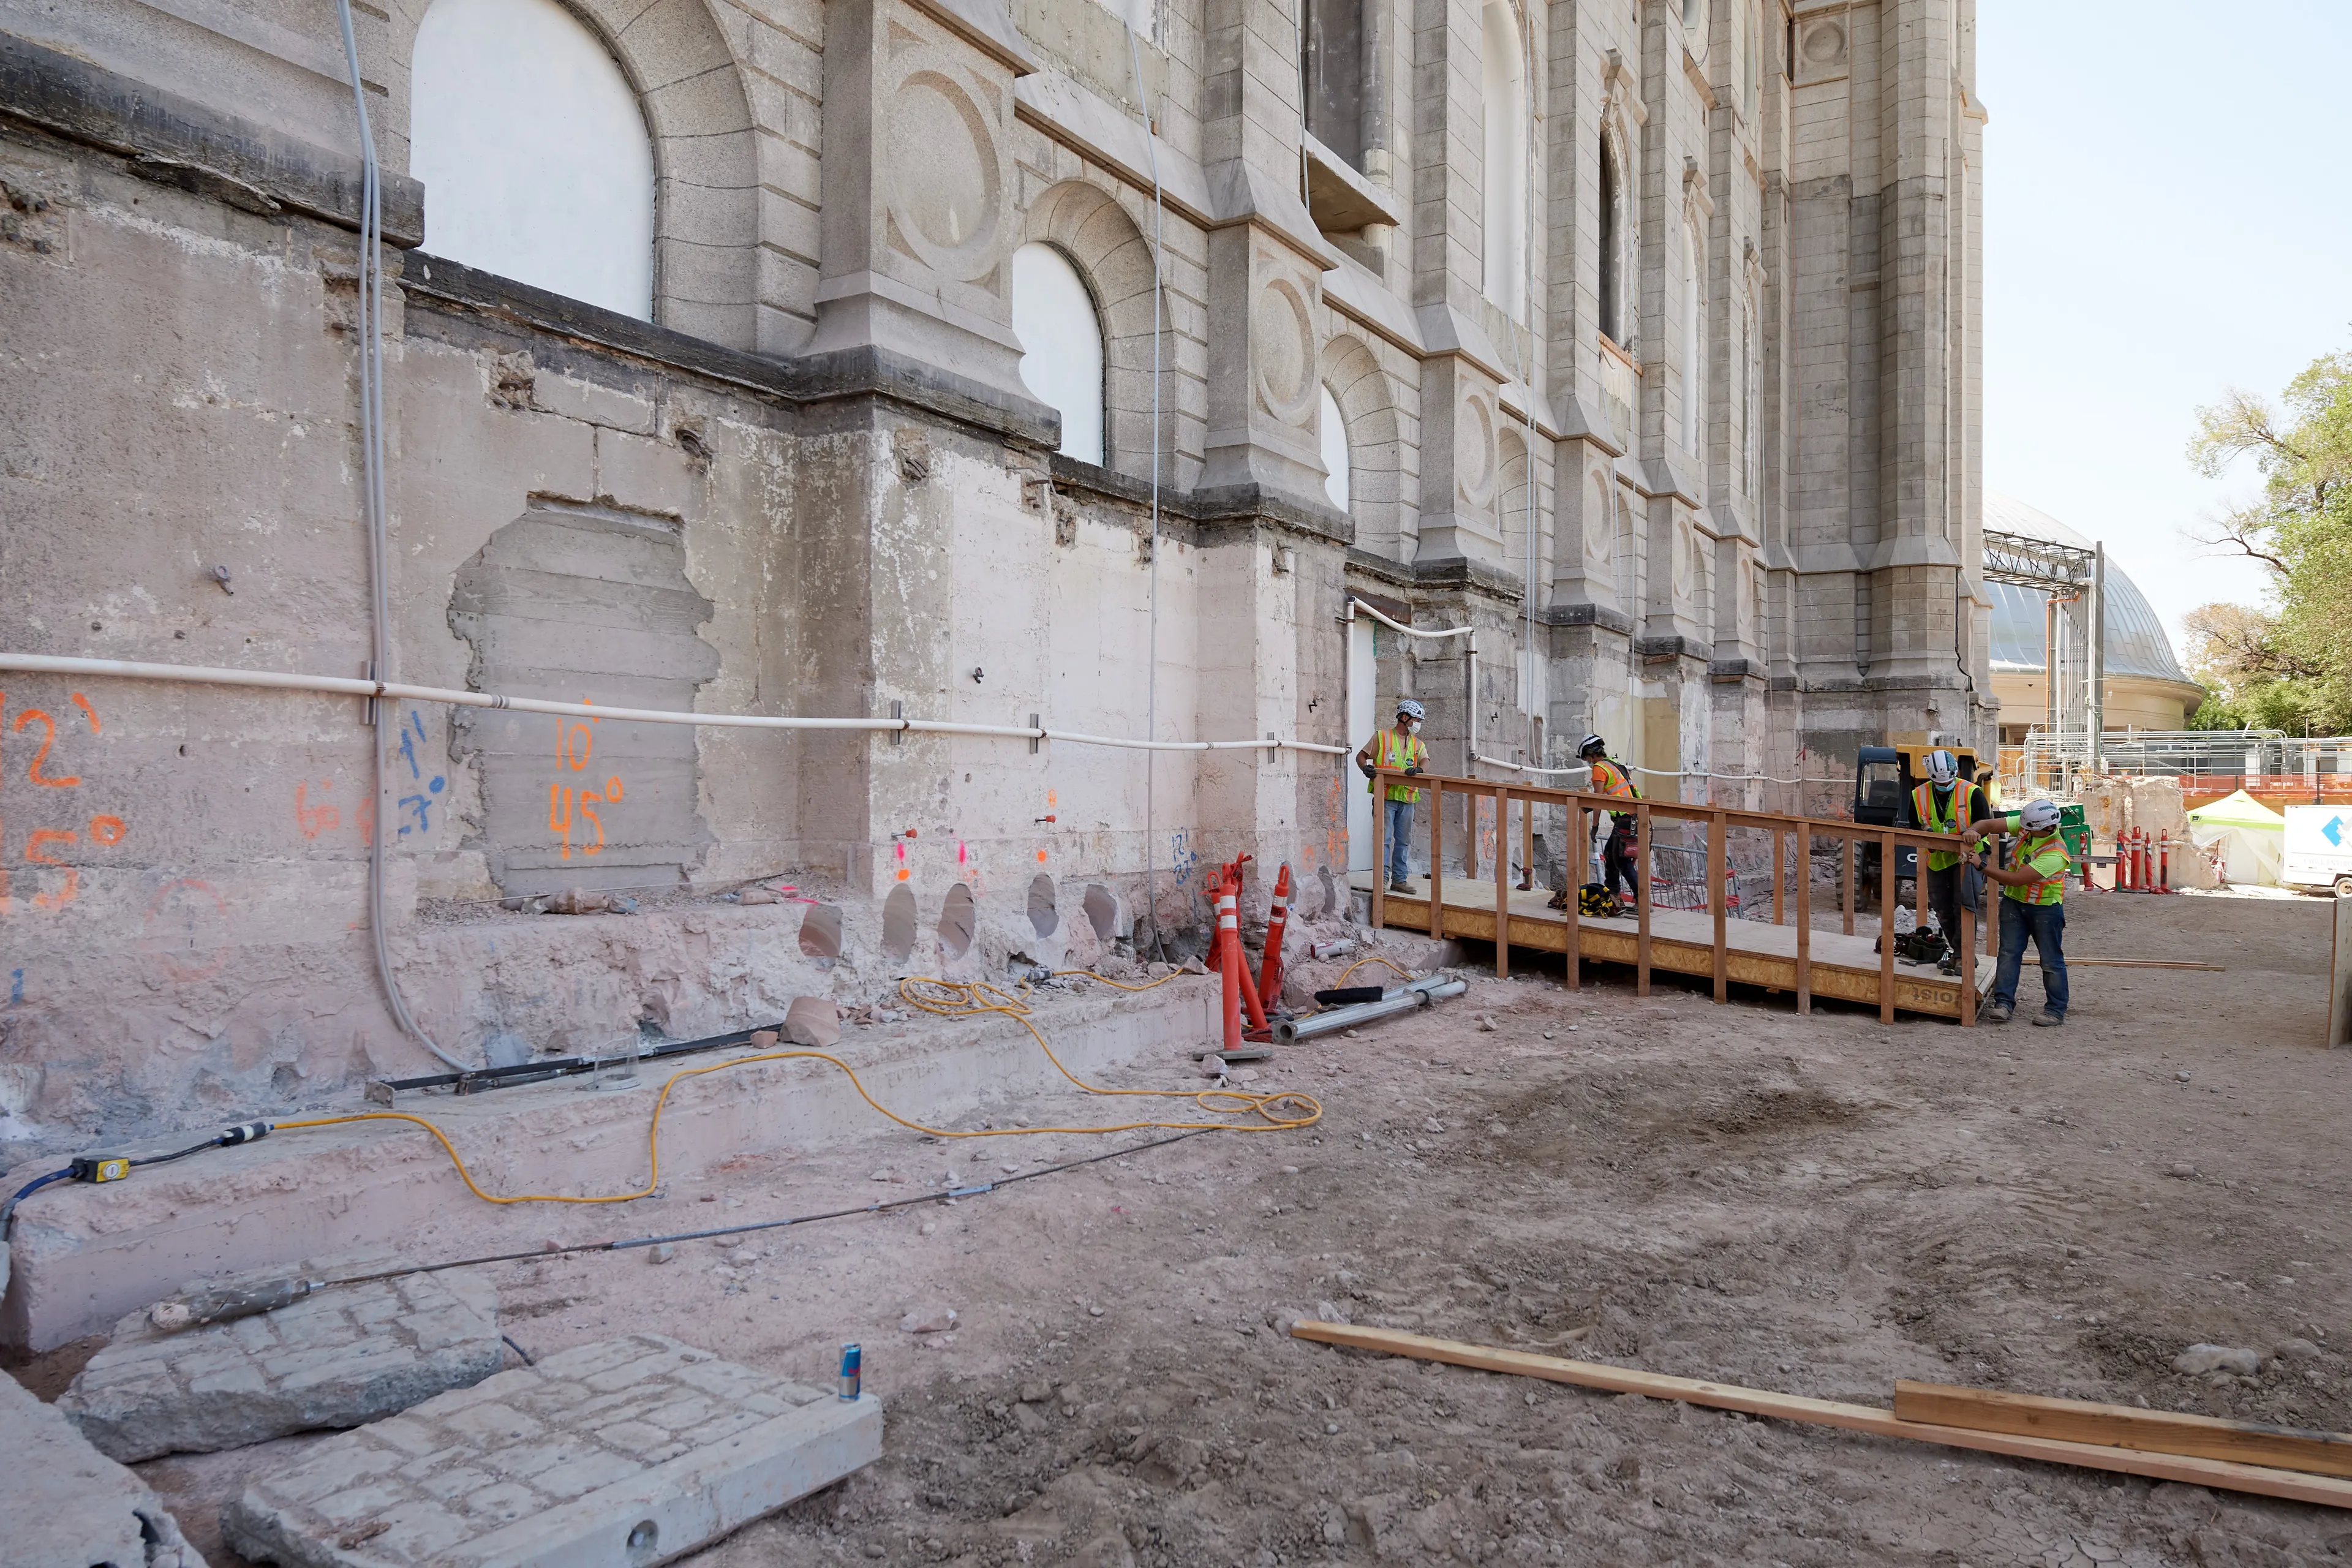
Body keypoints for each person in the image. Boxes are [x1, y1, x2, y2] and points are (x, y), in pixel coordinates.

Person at [1960, 797, 2071, 1027]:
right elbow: (1989, 824)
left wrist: (1981, 865)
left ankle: (2055, 1010)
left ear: (2047, 828)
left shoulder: (2055, 854)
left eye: (2029, 829)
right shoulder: (2030, 826)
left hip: (2045, 909)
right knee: (2009, 954)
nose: (2023, 831)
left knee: (2051, 960)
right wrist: (1973, 830)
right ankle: (2003, 1004)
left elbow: (2017, 879)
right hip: (2014, 903)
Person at [1902, 748, 1992, 975]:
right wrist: (1926, 835)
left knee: (1964, 905)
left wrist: (1973, 831)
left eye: (1948, 782)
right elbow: (1913, 824)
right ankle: (1959, 952)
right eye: (1939, 783)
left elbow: (1986, 824)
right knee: (1942, 907)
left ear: (1955, 773)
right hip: (1938, 858)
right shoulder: (1918, 795)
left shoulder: (1972, 792)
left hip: (1969, 856)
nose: (1944, 786)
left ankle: (1964, 956)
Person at [1357, 699, 1430, 895]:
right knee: (1384, 839)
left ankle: (1400, 880)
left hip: (1407, 798)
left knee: (1403, 841)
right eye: (1416, 720)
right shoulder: (1382, 737)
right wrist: (1365, 768)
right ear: (1404, 718)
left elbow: (1425, 761)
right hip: (1386, 796)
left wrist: (1420, 769)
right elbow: (1361, 756)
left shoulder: (1417, 744)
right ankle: (1381, 880)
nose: (1418, 724)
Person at [1579, 733, 1642, 905]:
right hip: (1633, 816)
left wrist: (1595, 826)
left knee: (1622, 860)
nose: (1587, 761)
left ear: (1590, 754)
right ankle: (1614, 894)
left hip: (1625, 818)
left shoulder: (1599, 768)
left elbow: (1598, 800)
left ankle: (1642, 899)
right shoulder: (1615, 764)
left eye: (1586, 758)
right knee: (1610, 854)